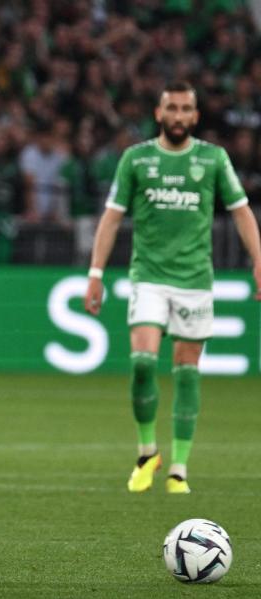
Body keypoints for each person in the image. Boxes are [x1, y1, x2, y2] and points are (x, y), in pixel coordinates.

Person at [84, 81, 261, 494]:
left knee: (187, 372)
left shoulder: (213, 158)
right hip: (148, 276)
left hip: (195, 280)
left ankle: (178, 467)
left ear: (195, 117)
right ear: (158, 114)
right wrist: (95, 273)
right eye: (172, 108)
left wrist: (259, 259)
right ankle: (148, 451)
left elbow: (241, 212)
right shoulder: (137, 158)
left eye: (186, 109)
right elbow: (111, 218)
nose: (179, 115)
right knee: (143, 362)